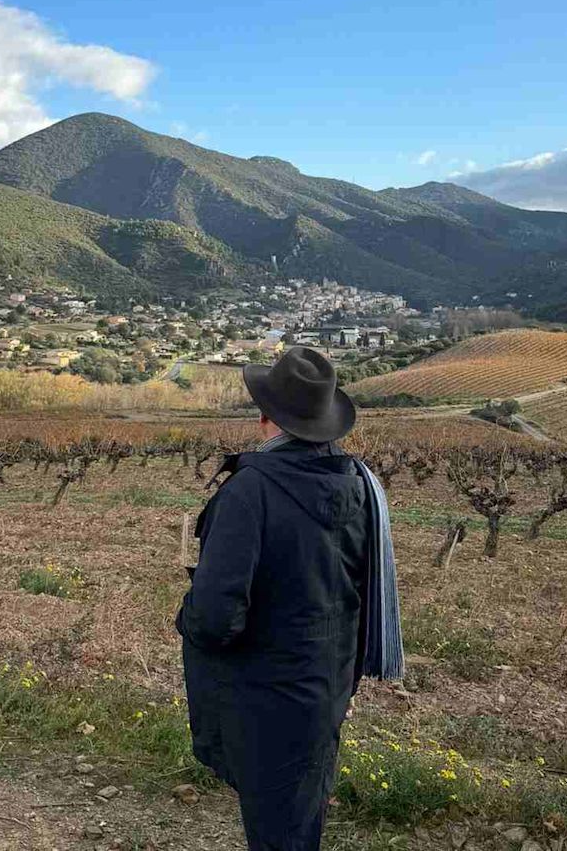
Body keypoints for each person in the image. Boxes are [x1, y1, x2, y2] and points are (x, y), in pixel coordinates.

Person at [176, 346, 402, 851]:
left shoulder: (248, 492)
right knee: (301, 816)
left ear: (265, 418)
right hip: (328, 685)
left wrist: (186, 617)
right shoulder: (358, 486)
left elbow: (215, 617)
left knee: (279, 830)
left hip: (266, 694)